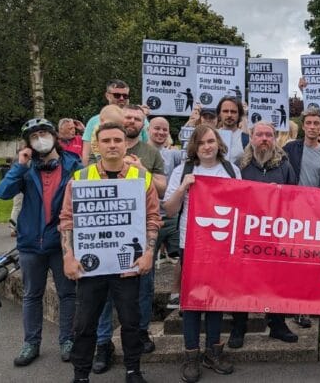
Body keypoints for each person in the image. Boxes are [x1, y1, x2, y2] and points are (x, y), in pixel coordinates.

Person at [59, 122, 161, 383]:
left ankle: (133, 370)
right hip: (90, 266)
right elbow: (67, 220)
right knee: (84, 324)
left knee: (131, 322)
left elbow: (152, 218)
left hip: (128, 265)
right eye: (107, 141)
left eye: (118, 140)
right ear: (98, 145)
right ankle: (81, 375)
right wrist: (68, 256)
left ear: (126, 144)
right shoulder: (80, 178)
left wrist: (149, 252)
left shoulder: (141, 178)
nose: (113, 145)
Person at [0, 119, 82, 366]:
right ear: (28, 143)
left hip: (60, 242)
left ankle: (67, 340)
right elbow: (2, 193)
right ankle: (30, 343)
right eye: (34, 136)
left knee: (67, 294)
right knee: (32, 295)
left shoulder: (73, 164)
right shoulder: (26, 167)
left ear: (54, 136)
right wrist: (20, 166)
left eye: (44, 133)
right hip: (30, 243)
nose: (40, 139)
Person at [91, 105, 166, 371]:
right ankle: (103, 343)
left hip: (139, 232)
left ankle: (141, 332)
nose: (132, 121)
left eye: (138, 118)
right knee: (103, 290)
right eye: (129, 117)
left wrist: (142, 170)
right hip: (103, 235)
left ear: (142, 125)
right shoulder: (97, 152)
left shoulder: (150, 152)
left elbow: (161, 189)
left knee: (143, 287)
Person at [163, 125, 239, 382]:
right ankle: (191, 354)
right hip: (191, 244)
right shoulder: (182, 170)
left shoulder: (231, 170)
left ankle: (213, 351)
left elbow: (243, 203)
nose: (207, 146)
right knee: (192, 302)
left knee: (215, 300)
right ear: (194, 147)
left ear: (218, 143)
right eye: (202, 143)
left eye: (211, 141)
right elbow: (170, 210)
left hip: (221, 243)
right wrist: (184, 187)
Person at [230, 121, 299, 347]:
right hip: (245, 234)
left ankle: (277, 324)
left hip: (275, 235)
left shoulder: (284, 165)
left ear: (275, 138)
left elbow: (294, 198)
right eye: (259, 135)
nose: (264, 139)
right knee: (241, 282)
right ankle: (239, 327)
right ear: (251, 137)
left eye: (268, 135)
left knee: (275, 281)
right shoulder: (238, 165)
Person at [283, 106, 320, 328]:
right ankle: (298, 308)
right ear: (303, 126)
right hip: (294, 211)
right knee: (295, 260)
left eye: (316, 123)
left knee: (314, 259)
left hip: (318, 212)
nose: (312, 127)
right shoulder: (290, 148)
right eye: (309, 123)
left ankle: (312, 302)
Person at [147, 117, 183, 307]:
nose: (161, 133)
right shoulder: (140, 153)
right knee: (146, 266)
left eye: (164, 130)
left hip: (171, 216)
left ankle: (176, 294)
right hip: (148, 218)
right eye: (157, 129)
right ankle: (147, 303)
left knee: (183, 256)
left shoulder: (173, 155)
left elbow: (190, 153)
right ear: (148, 129)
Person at [82, 79, 148, 165]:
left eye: (125, 96)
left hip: (132, 169)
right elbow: (86, 153)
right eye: (117, 95)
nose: (121, 98)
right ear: (107, 96)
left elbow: (149, 146)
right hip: (100, 170)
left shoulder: (140, 119)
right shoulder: (94, 121)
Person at [215, 96, 249, 165]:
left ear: (239, 115)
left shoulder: (246, 139)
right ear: (219, 114)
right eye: (225, 111)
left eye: (233, 112)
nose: (229, 115)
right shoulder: (212, 135)